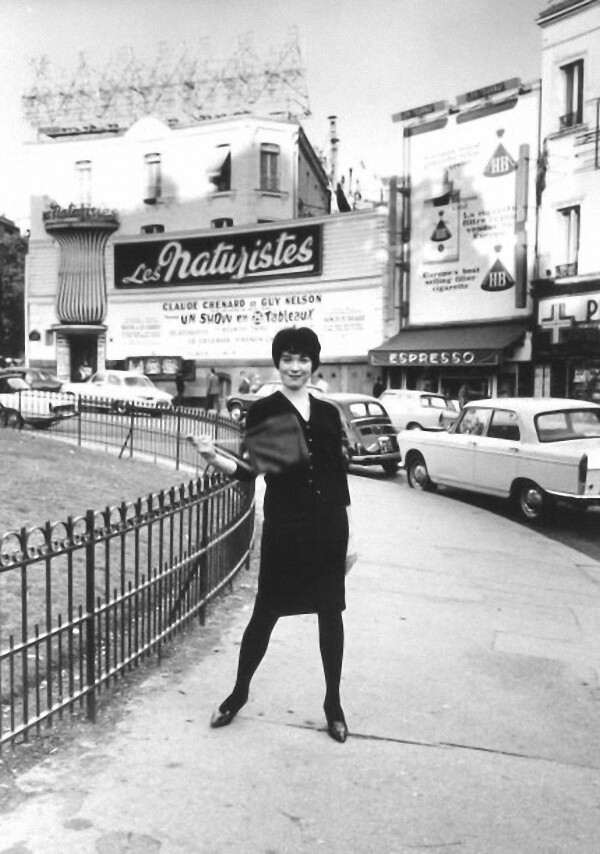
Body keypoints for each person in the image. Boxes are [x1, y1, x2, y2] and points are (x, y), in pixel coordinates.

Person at [187, 327, 351, 743]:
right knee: (266, 613)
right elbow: (251, 471)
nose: (295, 367)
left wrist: (351, 534)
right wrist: (213, 457)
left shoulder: (328, 413)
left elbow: (337, 476)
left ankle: (333, 704)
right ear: (278, 363)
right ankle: (238, 693)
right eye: (287, 359)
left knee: (330, 614)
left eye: (303, 359)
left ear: (314, 364)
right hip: (286, 528)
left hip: (328, 527)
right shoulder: (266, 410)